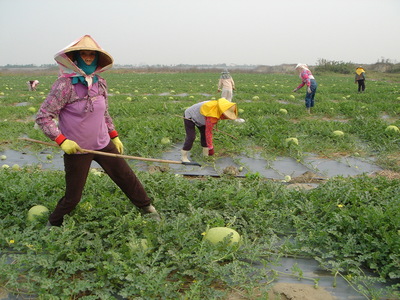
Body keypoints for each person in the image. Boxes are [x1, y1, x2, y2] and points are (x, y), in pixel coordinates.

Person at [35, 35, 160, 226]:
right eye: (83, 54)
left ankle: (147, 208)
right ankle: (54, 221)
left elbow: (105, 113)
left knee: (126, 177)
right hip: (77, 148)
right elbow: (43, 116)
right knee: (73, 196)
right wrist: (62, 140)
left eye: (91, 54)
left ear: (96, 58)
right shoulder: (64, 85)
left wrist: (114, 136)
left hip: (103, 143)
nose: (87, 57)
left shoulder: (100, 82)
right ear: (75, 58)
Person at [181, 98, 237, 162]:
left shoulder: (217, 109)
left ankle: (205, 155)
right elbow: (208, 133)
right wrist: (210, 148)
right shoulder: (212, 115)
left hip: (202, 118)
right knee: (191, 136)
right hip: (190, 115)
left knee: (204, 136)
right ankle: (184, 157)